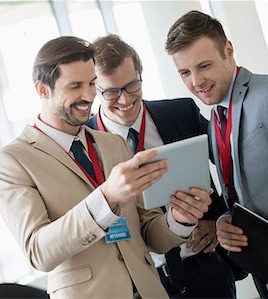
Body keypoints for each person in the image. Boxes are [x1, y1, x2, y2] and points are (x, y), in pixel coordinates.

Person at [0, 36, 212, 298]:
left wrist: (179, 220)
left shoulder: (113, 144)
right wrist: (106, 198)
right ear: (42, 90)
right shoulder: (11, 161)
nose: (89, 95)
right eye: (75, 86)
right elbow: (38, 252)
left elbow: (148, 234)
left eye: (92, 83)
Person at [87, 33, 236, 298]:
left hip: (206, 269)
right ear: (93, 90)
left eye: (132, 85)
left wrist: (220, 217)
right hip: (145, 286)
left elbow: (232, 163)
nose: (124, 100)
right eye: (111, 91)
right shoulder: (85, 145)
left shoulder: (180, 114)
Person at [165, 10, 268, 298]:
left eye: (204, 66)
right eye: (184, 73)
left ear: (228, 50)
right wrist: (226, 219)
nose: (196, 81)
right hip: (266, 271)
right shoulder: (216, 118)